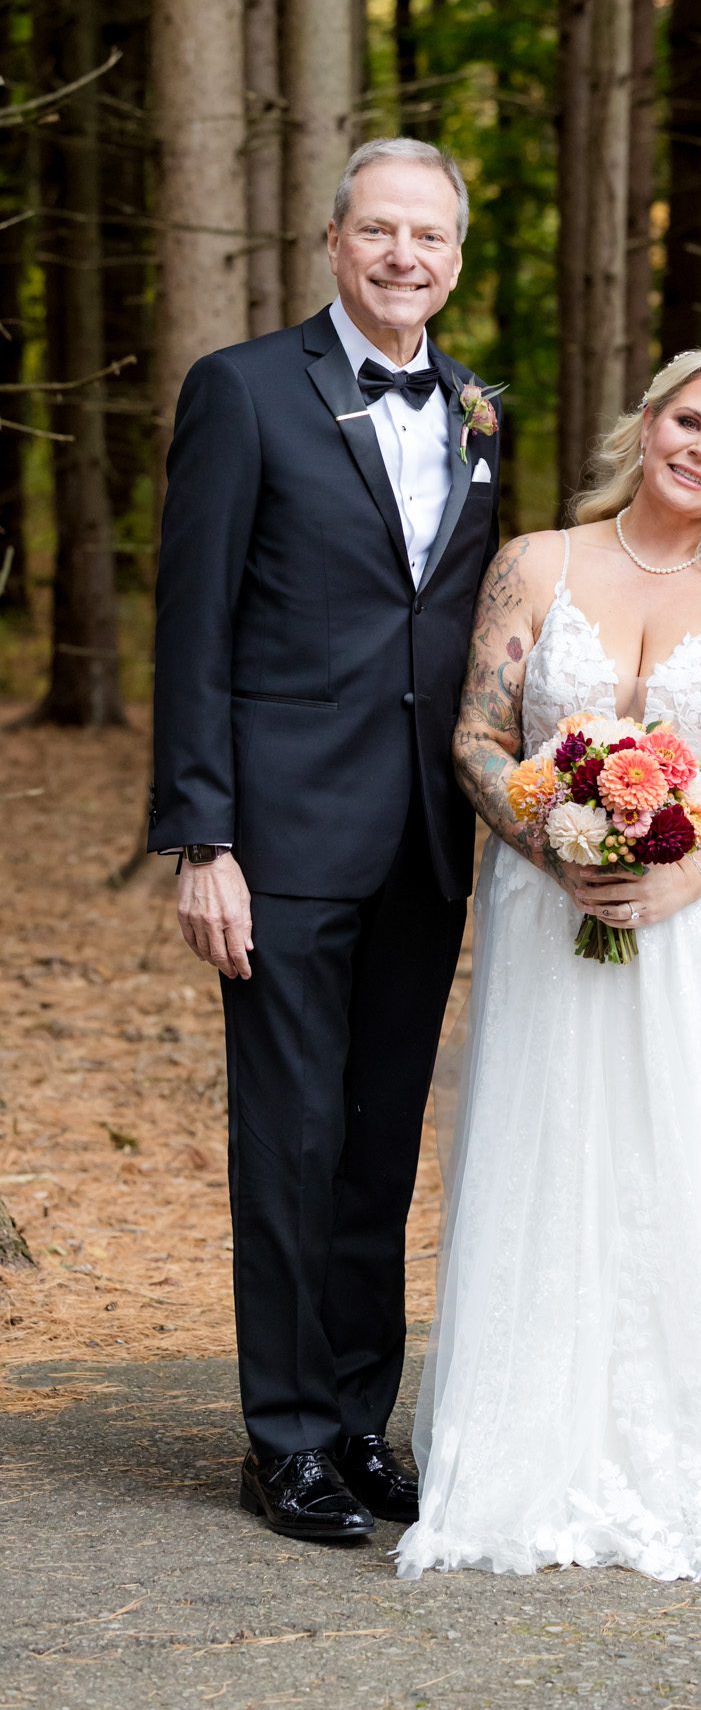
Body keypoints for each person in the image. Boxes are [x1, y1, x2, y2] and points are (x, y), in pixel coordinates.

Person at [396, 350, 701, 1582]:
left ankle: (700, 1441)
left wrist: (679, 879)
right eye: (686, 419)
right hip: (556, 914)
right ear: (646, 421)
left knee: (697, 1158)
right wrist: (555, 845)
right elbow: (481, 734)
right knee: (559, 1152)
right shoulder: (538, 561)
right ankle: (531, 1443)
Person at [149, 138, 501, 1543]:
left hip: (424, 841)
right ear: (334, 241)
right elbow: (195, 628)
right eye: (379, 231)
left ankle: (359, 1420)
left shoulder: (479, 410)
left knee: (375, 1149)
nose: (403, 255)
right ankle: (282, 1436)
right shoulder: (241, 392)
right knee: (288, 1140)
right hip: (281, 843)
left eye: (429, 237)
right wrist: (202, 837)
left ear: (457, 260)